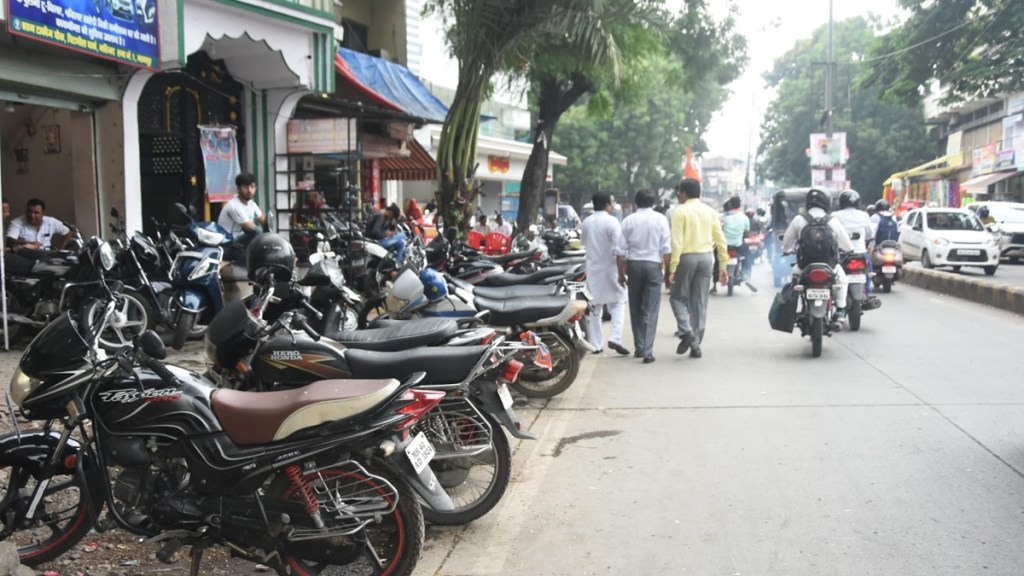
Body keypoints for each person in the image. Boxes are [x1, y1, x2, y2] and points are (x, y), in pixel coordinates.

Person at [666, 179, 728, 359]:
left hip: (686, 258)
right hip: (706, 258)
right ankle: (695, 345)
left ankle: (686, 331)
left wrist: (672, 268)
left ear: (683, 193)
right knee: (699, 302)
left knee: (677, 298)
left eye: (679, 192)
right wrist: (722, 265)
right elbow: (720, 240)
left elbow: (676, 243)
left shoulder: (679, 212)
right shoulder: (710, 211)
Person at [781, 188, 853, 322]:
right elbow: (847, 246)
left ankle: (795, 309)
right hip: (830, 265)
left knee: (794, 281)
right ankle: (841, 310)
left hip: (804, 266)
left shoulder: (799, 219)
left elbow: (786, 243)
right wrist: (848, 251)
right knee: (843, 281)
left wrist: (786, 251)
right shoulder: (833, 221)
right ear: (826, 202)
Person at [617, 190, 671, 363]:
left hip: (633, 265)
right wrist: (668, 271)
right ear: (653, 202)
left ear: (636, 202)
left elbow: (620, 252)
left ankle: (639, 347)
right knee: (651, 309)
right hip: (653, 264)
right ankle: (648, 350)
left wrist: (620, 274)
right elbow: (666, 249)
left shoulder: (628, 220)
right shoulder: (660, 219)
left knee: (636, 307)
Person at [581, 192, 629, 356]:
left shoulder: (587, 222)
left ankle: (596, 343)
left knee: (595, 307)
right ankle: (615, 337)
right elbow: (619, 249)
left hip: (593, 269)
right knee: (619, 302)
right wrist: (622, 272)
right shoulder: (613, 222)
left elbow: (583, 242)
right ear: (608, 204)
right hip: (612, 268)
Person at [833, 190, 881, 310]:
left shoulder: (835, 216)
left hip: (841, 254)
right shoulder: (864, 215)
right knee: (867, 272)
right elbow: (870, 233)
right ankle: (867, 294)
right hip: (860, 253)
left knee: (834, 276)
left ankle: (835, 298)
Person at [218, 173, 265, 262]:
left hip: (239, 244)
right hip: (228, 245)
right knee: (257, 232)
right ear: (238, 189)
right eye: (245, 187)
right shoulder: (234, 206)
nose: (250, 190)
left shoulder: (252, 204)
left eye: (252, 187)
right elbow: (251, 227)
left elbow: (263, 221)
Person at [6, 198, 70, 252]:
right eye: (29, 211)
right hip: (25, 257)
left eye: (36, 213)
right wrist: (28, 243)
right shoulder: (17, 222)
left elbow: (67, 232)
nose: (32, 215)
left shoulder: (51, 222)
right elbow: (9, 240)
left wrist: (61, 249)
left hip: (46, 256)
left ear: (42, 213)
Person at [721, 197, 752, 281]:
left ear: (730, 205)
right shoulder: (744, 218)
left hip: (725, 246)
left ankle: (716, 277)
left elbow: (720, 230)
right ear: (740, 204)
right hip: (739, 245)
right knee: (748, 256)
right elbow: (746, 234)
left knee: (718, 257)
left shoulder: (724, 217)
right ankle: (746, 274)